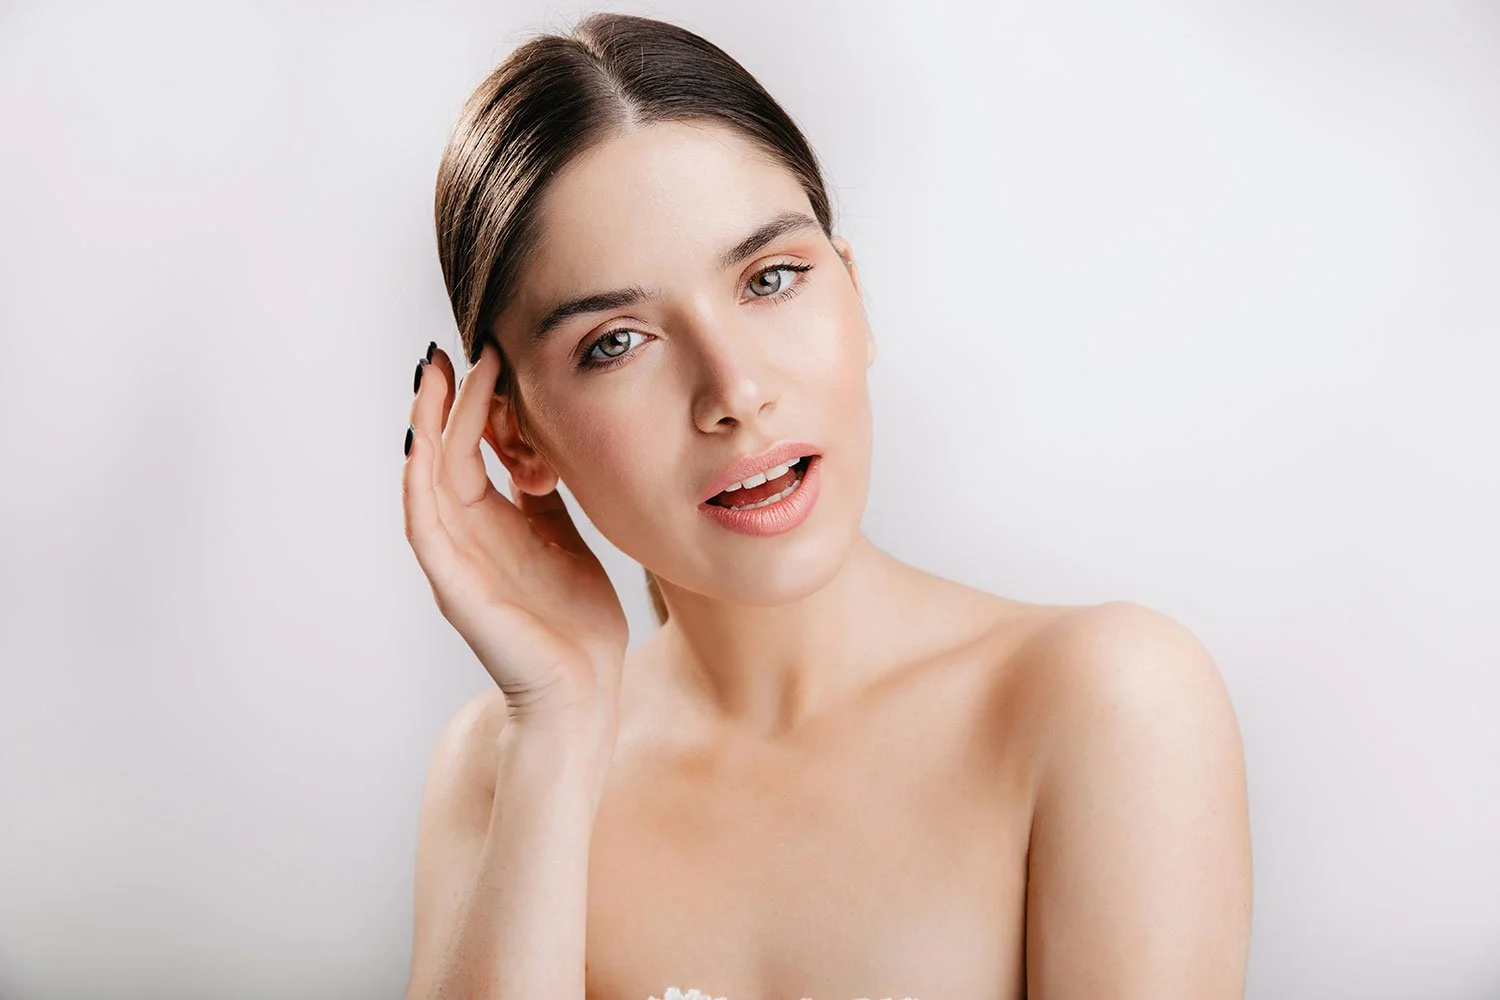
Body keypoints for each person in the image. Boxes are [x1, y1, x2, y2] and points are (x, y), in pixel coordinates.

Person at [399, 12, 1252, 1000]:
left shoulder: (1106, 699)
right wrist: (555, 724)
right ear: (515, 438)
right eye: (617, 341)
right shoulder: (497, 772)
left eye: (772, 278)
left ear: (855, 291)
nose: (735, 390)